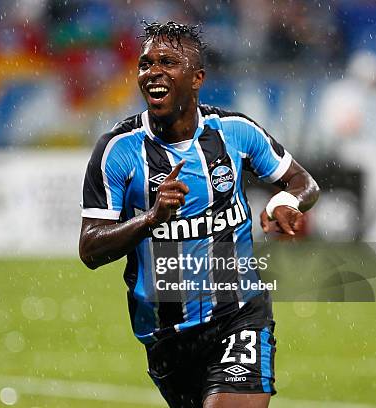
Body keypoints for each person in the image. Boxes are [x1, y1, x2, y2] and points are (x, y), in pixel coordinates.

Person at [79, 21, 319, 408]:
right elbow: (90, 248)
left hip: (239, 313)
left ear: (196, 78)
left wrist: (283, 203)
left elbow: (302, 182)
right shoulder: (117, 150)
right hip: (165, 336)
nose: (153, 72)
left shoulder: (235, 132)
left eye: (168, 62)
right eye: (145, 64)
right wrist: (151, 219)